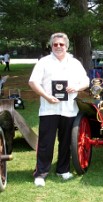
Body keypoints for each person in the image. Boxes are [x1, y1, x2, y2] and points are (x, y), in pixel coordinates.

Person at [29, 32, 90, 187]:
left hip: (69, 109)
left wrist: (76, 87)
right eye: (55, 44)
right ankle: (41, 174)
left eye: (61, 44)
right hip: (49, 108)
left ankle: (63, 170)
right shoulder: (43, 62)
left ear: (66, 46)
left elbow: (86, 81)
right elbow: (33, 82)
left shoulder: (74, 63)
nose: (58, 47)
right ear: (51, 45)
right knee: (45, 143)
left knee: (66, 142)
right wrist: (46, 96)